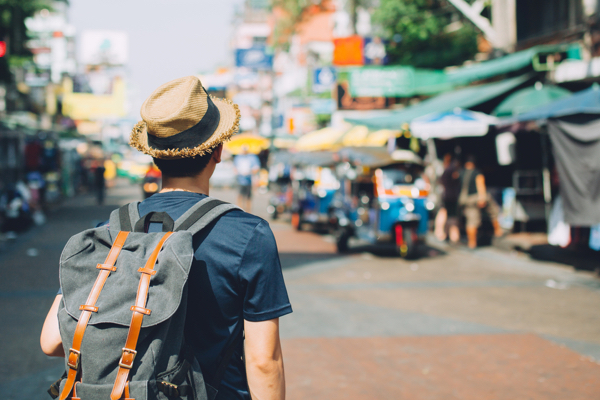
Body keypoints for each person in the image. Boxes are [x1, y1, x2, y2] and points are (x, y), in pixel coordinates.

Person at [40, 76, 291, 400]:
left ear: (154, 156)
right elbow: (263, 361)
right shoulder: (248, 235)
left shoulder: (108, 234)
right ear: (217, 151)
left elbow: (51, 340)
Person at [458, 155, 503, 249]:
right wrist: (482, 198)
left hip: (465, 200)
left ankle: (471, 243)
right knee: (493, 211)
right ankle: (498, 231)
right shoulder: (477, 172)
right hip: (476, 197)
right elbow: (480, 185)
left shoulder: (461, 173)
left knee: (471, 220)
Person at [434, 154, 461, 243]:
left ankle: (446, 233)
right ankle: (450, 235)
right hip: (450, 196)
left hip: (446, 195)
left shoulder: (445, 170)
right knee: (450, 215)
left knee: (447, 214)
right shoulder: (451, 170)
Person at [233, 145, 260, 212]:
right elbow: (234, 168)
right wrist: (240, 172)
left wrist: (249, 171)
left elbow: (257, 168)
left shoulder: (252, 157)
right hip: (240, 179)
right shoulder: (238, 157)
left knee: (248, 197)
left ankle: (248, 212)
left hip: (249, 180)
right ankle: (239, 211)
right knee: (240, 196)